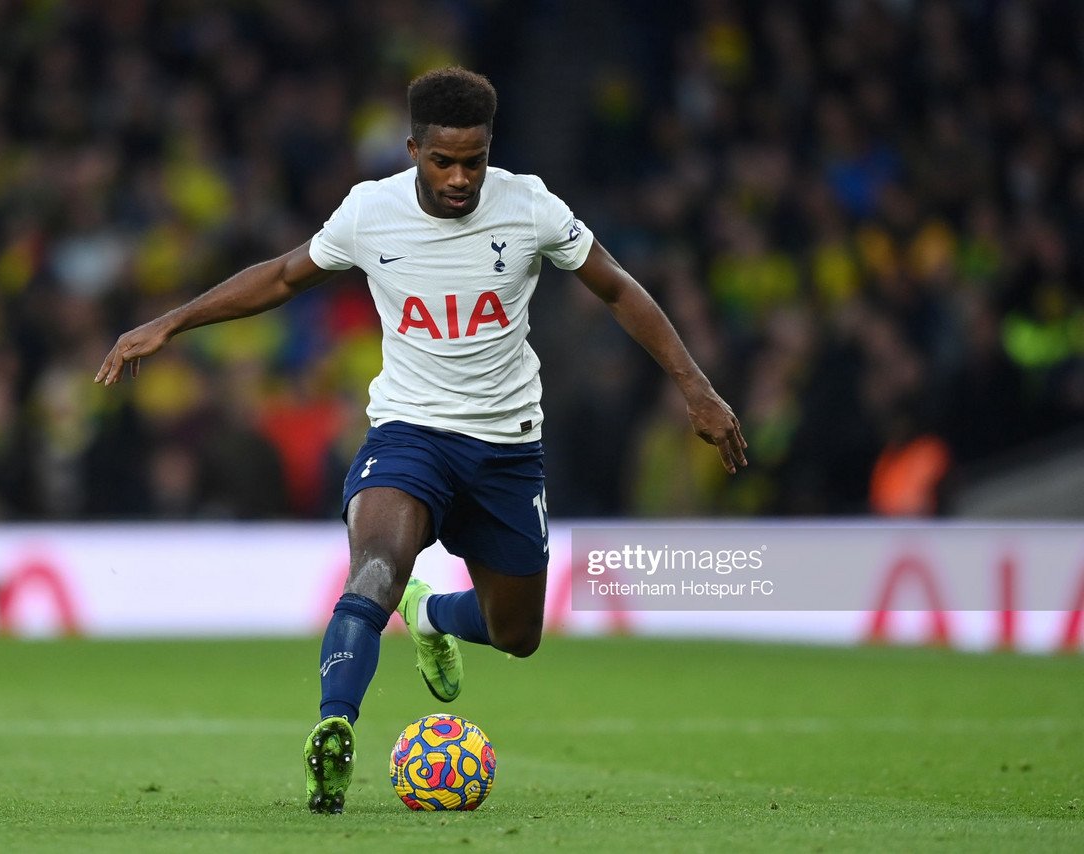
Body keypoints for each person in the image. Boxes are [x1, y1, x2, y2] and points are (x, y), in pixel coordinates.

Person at [95, 67, 747, 813]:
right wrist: (169, 322)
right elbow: (280, 278)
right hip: (410, 433)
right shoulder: (369, 213)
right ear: (413, 149)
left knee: (517, 633)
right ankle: (334, 731)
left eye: (475, 159)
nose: (462, 177)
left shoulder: (529, 205)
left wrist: (696, 386)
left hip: (506, 448)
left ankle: (433, 614)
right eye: (444, 161)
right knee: (374, 570)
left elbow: (618, 288)